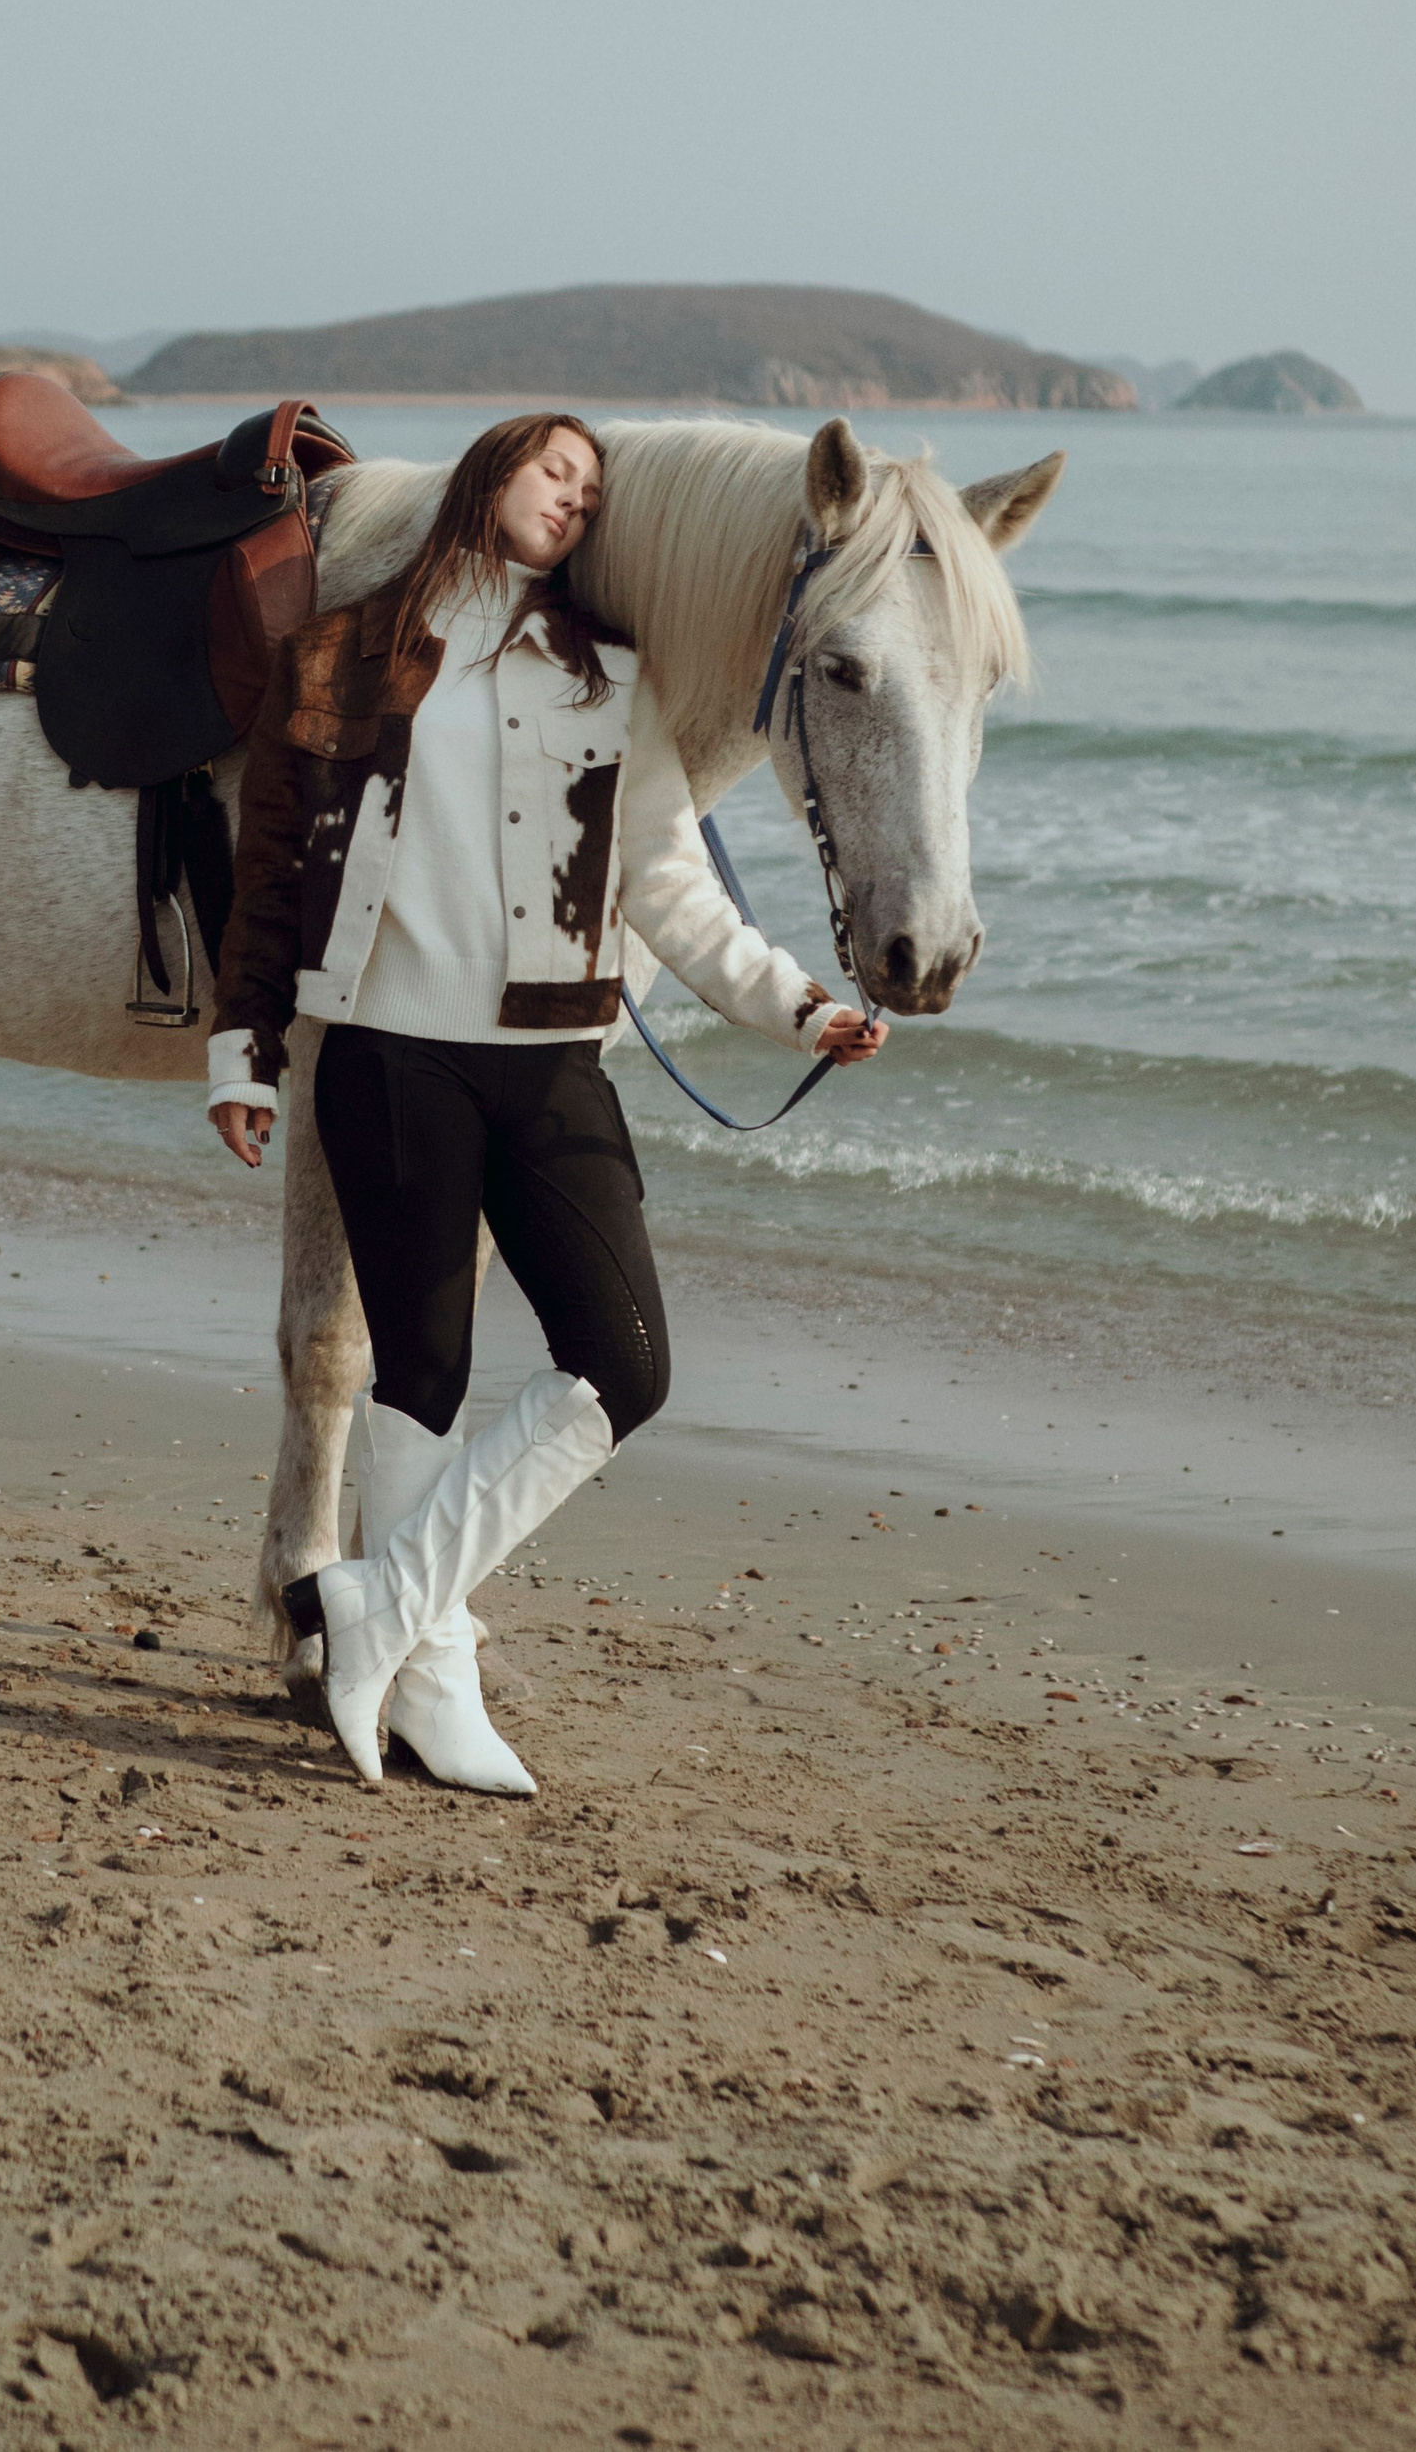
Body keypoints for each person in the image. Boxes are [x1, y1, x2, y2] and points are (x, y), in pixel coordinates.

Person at [205, 412, 886, 1795]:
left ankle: (370, 1608)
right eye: (550, 471)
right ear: (486, 476)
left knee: (625, 1361)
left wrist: (795, 1003)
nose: (574, 498)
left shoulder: (604, 677)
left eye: (590, 488)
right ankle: (430, 1681)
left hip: (551, 1062)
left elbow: (669, 881)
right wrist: (243, 1048)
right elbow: (270, 860)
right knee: (423, 1375)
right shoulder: (346, 650)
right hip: (393, 1059)